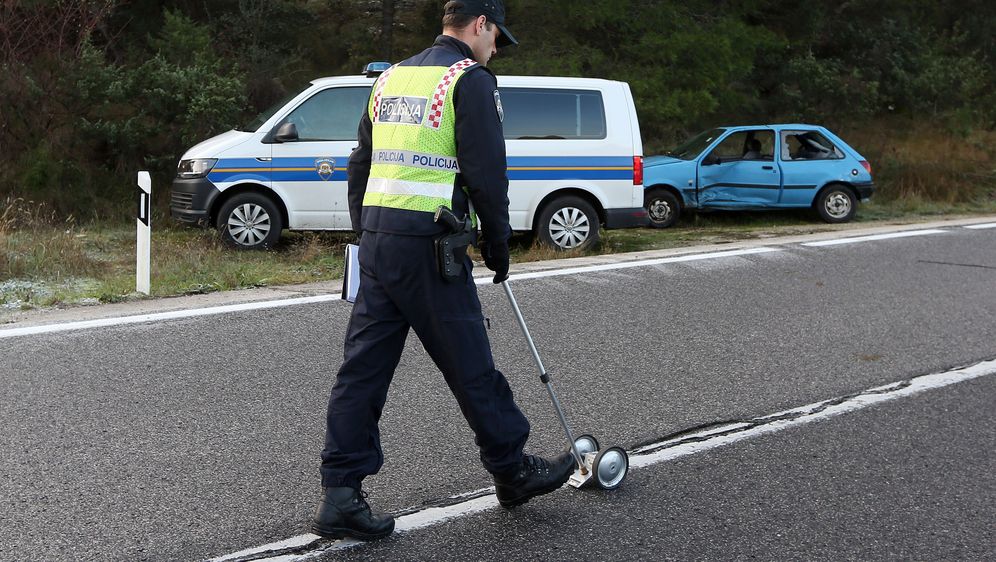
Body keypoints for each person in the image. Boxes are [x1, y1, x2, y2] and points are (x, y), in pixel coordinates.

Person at [312, 0, 576, 542]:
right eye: (497, 36)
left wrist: (366, 229)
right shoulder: (469, 81)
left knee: (361, 371)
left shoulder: (389, 78)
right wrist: (499, 248)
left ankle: (341, 494)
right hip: (432, 249)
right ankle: (511, 469)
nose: (496, 48)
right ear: (479, 25)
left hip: (380, 245)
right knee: (471, 363)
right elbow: (486, 173)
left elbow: (361, 160)